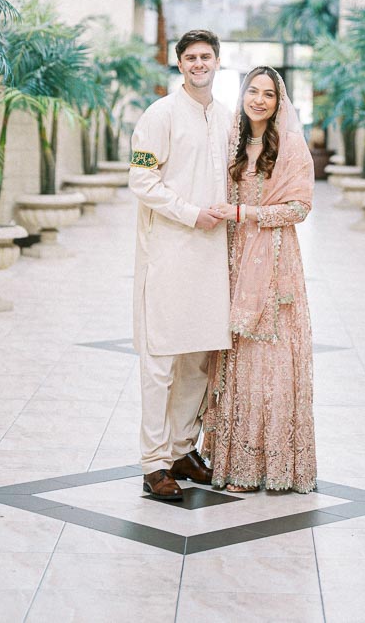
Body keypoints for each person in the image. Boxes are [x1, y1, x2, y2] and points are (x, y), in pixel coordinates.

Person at [201, 65, 317, 494]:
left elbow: (300, 208)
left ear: (279, 100)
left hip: (274, 264)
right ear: (243, 94)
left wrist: (246, 214)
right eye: (254, 91)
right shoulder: (228, 142)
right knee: (235, 358)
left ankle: (273, 464)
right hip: (230, 261)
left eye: (269, 94)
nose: (260, 100)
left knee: (270, 360)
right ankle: (232, 462)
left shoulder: (290, 147)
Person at [128, 28, 233, 502]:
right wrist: (193, 214)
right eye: (190, 57)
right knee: (161, 360)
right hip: (169, 252)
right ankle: (154, 463)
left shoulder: (228, 117)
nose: (198, 63)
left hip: (212, 258)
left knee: (198, 357)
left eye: (205, 56)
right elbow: (142, 181)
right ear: (179, 64)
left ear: (217, 62)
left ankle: (182, 450)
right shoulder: (160, 114)